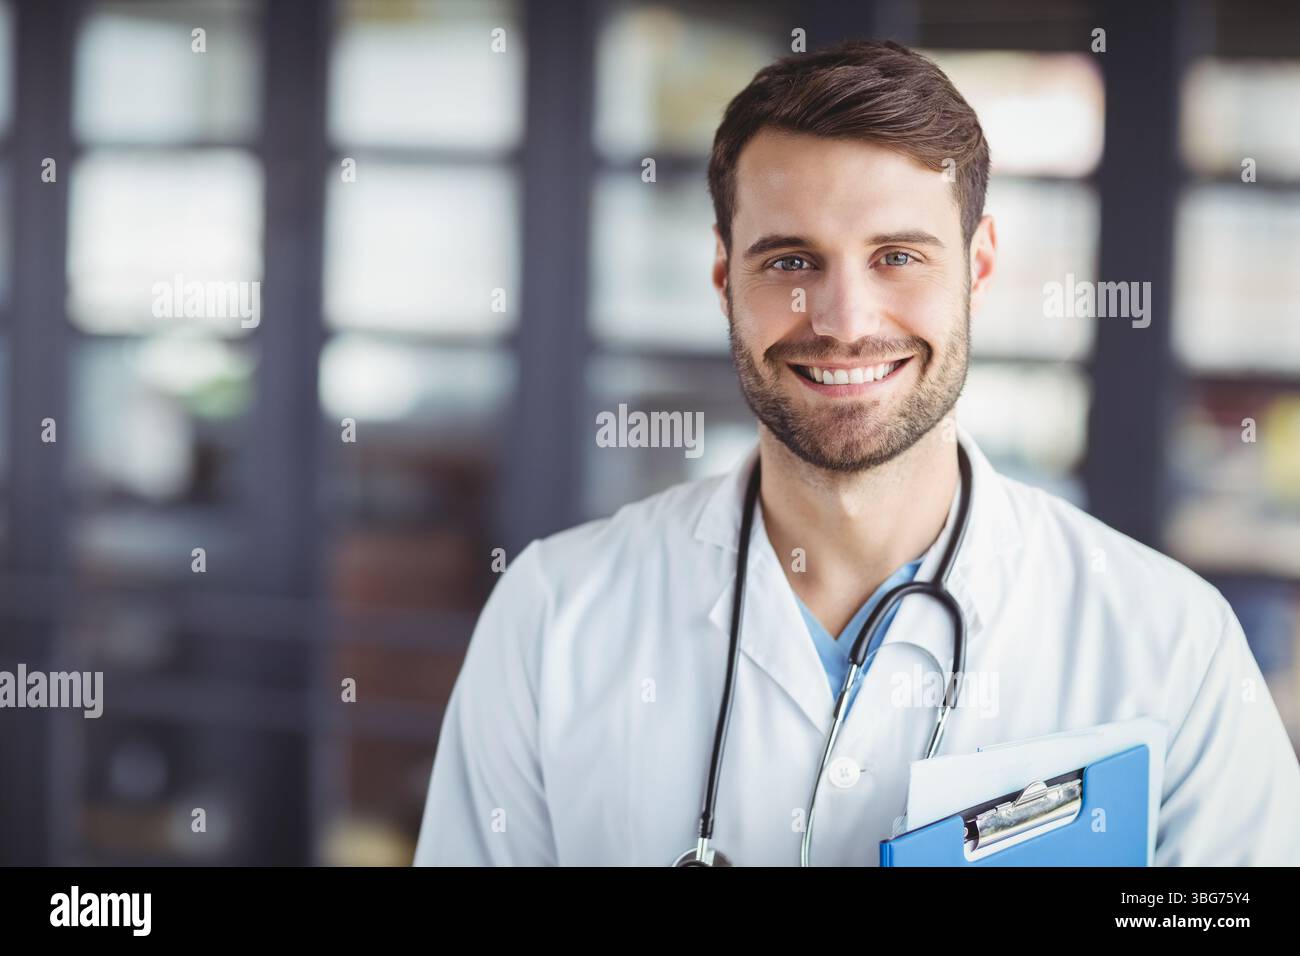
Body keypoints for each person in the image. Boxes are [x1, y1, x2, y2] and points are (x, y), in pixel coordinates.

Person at [413, 39, 1300, 866]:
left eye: (898, 256)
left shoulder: (1171, 642)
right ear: (725, 278)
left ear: (978, 269)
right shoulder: (552, 617)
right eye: (791, 261)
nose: (843, 322)